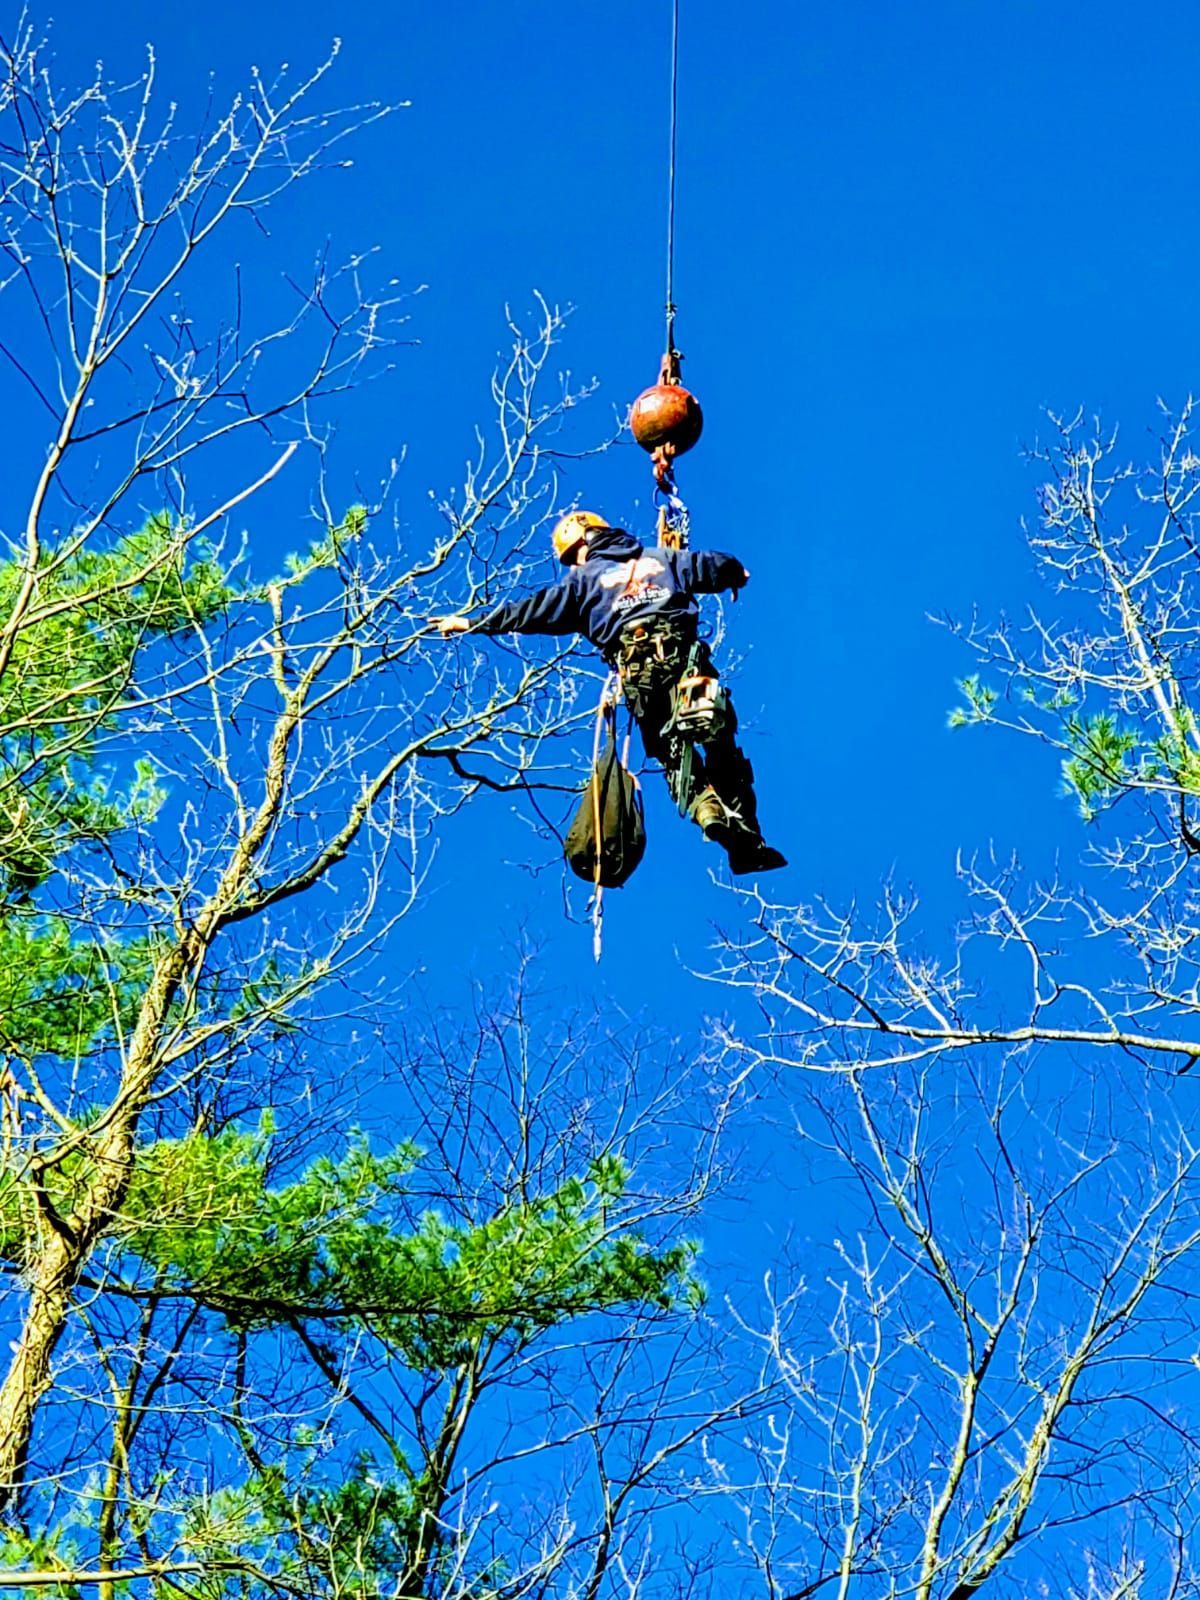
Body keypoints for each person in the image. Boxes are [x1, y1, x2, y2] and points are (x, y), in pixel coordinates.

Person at [435, 510, 786, 875]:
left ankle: (707, 809)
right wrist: (733, 572)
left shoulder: (583, 582)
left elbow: (530, 612)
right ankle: (744, 834)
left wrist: (473, 622)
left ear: (584, 540)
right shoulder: (659, 557)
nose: (574, 564)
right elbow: (709, 564)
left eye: (573, 556)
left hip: (641, 675)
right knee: (719, 739)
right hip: (684, 661)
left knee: (673, 756)